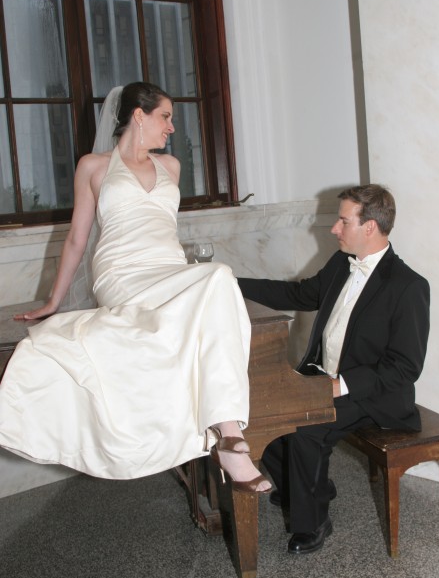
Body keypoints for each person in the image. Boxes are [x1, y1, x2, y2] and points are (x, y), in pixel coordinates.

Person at [0, 81, 271, 493]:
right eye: (166, 117)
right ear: (139, 115)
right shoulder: (93, 166)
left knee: (219, 275)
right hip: (121, 274)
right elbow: (76, 240)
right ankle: (230, 441)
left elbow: (164, 228)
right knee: (216, 277)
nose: (172, 127)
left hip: (167, 269)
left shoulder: (171, 166)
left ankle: (228, 431)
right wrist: (53, 301)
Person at [238, 184, 430, 552]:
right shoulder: (342, 262)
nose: (334, 229)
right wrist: (231, 283)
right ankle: (307, 488)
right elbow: (299, 295)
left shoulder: (409, 287)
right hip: (323, 375)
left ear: (369, 226)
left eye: (343, 221)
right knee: (263, 413)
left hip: (372, 394)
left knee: (305, 426)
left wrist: (340, 385)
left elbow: (404, 368)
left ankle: (313, 522)